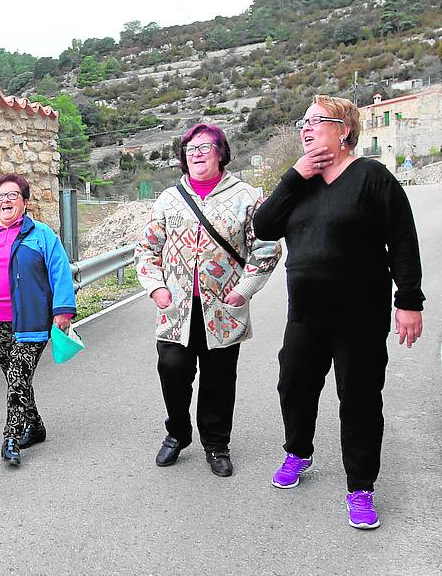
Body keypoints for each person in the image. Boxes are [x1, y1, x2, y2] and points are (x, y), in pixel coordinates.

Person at [253, 95, 424, 530]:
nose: (305, 129)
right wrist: (294, 175)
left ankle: (361, 486)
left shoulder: (372, 177)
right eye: (302, 124)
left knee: (361, 401)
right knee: (293, 385)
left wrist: (408, 301)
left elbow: (403, 240)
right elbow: (263, 227)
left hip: (360, 317)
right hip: (305, 316)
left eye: (316, 122)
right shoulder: (299, 183)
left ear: (344, 130)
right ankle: (298, 452)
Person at [135, 124, 281, 477]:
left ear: (221, 152)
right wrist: (156, 287)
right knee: (172, 371)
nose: (196, 153)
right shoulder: (170, 199)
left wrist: (243, 290)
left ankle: (216, 444)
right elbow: (146, 249)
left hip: (222, 310)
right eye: (190, 148)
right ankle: (178, 433)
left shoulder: (246, 196)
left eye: (205, 147)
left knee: (218, 380)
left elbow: (267, 247)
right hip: (176, 310)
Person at [0, 173, 77, 466]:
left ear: (24, 202)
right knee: (18, 380)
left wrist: (62, 310)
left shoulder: (41, 235)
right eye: (0, 196)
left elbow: (60, 271)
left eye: (13, 195)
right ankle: (35, 426)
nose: (6, 201)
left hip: (31, 322)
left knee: (17, 378)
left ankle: (10, 437)